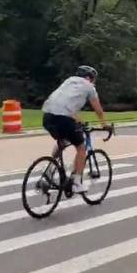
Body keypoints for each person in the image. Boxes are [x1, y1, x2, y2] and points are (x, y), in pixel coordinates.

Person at [42, 65, 108, 193]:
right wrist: (104, 124)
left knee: (63, 141)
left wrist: (79, 121)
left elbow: (65, 105)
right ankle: (76, 183)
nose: (94, 82)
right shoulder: (89, 87)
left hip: (47, 117)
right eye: (93, 79)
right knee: (81, 148)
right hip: (63, 118)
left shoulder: (68, 82)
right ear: (89, 78)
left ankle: (49, 170)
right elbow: (98, 109)